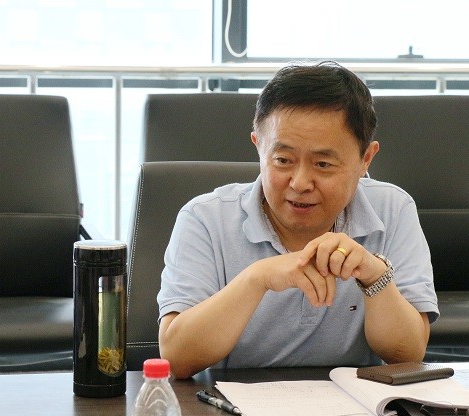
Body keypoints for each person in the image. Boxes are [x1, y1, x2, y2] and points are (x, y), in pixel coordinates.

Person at [157, 61, 439, 379]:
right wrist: (257, 278)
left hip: (354, 403)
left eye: (323, 164)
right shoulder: (204, 219)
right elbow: (177, 358)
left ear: (366, 159)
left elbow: (408, 354)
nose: (300, 183)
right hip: (235, 404)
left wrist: (375, 276)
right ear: (258, 147)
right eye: (283, 160)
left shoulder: (393, 209)